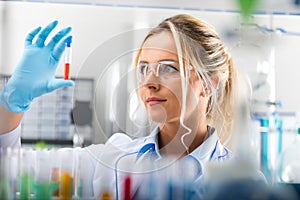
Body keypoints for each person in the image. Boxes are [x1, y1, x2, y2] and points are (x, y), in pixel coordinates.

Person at [0, 14, 238, 199]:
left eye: (168, 67)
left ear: (209, 84)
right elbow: (10, 172)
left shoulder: (240, 182)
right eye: (144, 68)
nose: (149, 82)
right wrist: (11, 101)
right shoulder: (111, 160)